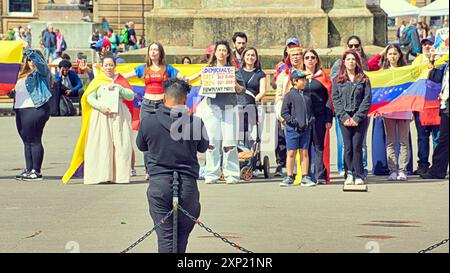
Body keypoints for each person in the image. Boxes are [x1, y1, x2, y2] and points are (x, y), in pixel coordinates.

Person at [136, 78, 208, 253]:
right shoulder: (195, 123)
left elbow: (141, 145)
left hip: (159, 184)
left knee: (165, 236)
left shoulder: (148, 121)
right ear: (185, 100)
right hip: (187, 185)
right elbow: (203, 147)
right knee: (181, 236)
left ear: (163, 97)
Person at [124, 42, 186, 179]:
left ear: (160, 53)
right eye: (151, 50)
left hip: (162, 105)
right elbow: (123, 77)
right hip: (146, 104)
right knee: (147, 136)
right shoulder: (143, 69)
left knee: (165, 136)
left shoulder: (167, 69)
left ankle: (164, 167)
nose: (153, 52)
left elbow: (183, 77)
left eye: (156, 50)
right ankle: (149, 170)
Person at [83, 53, 135, 185]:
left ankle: (120, 176)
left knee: (121, 143)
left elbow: (130, 96)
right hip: (102, 115)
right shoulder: (98, 81)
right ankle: (102, 174)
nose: (108, 68)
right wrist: (101, 107)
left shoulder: (121, 80)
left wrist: (120, 88)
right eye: (106, 65)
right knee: (103, 144)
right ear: (102, 66)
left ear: (115, 66)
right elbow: (90, 98)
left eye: (111, 65)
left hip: (119, 115)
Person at [198, 40, 245, 184]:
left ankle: (231, 173)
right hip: (212, 108)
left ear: (228, 53)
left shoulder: (234, 70)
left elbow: (241, 90)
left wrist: (234, 83)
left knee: (230, 142)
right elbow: (203, 89)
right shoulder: (208, 69)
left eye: (224, 50)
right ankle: (211, 173)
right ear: (215, 53)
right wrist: (204, 79)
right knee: (212, 142)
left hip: (229, 108)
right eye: (219, 50)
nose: (222, 53)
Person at [369, 44, 413, 181]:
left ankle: (402, 170)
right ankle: (393, 170)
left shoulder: (407, 70)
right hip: (388, 111)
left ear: (400, 55)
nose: (392, 56)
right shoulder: (383, 72)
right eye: (390, 54)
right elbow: (370, 64)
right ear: (386, 56)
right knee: (390, 142)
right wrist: (381, 52)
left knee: (404, 142)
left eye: (395, 53)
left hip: (404, 110)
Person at [330, 35, 369, 177]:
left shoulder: (364, 77)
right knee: (346, 146)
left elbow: (367, 98)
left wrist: (358, 117)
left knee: (358, 146)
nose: (351, 61)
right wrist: (344, 116)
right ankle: (347, 172)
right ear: (344, 61)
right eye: (348, 59)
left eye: (354, 59)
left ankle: (359, 173)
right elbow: (336, 98)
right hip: (344, 117)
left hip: (360, 117)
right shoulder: (338, 78)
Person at [12, 49, 52, 181]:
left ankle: (37, 171)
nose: (31, 62)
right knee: (26, 141)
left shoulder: (41, 72)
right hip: (21, 109)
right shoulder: (21, 75)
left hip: (35, 108)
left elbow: (40, 64)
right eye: (29, 60)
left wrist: (29, 51)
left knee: (34, 139)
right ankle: (29, 169)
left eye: (33, 60)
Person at [280, 70, 316, 187]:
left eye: (305, 79)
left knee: (304, 152)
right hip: (293, 130)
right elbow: (284, 113)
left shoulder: (307, 95)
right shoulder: (289, 96)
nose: (305, 81)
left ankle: (305, 176)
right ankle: (289, 176)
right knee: (291, 152)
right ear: (295, 81)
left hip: (306, 129)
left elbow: (310, 111)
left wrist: (311, 120)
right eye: (302, 79)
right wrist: (294, 123)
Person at [303, 49, 333, 184]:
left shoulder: (323, 78)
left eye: (312, 57)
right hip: (303, 118)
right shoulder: (298, 77)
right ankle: (306, 175)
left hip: (319, 116)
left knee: (319, 146)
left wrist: (329, 118)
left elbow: (328, 99)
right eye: (307, 57)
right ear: (303, 60)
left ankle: (320, 175)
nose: (310, 60)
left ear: (316, 60)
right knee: (304, 146)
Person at [411, 37, 440, 176]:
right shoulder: (417, 61)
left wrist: (434, 62)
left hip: (437, 105)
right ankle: (422, 165)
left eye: (430, 44)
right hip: (421, 105)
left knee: (437, 138)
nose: (427, 46)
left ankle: (438, 164)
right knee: (422, 138)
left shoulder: (442, 60)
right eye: (425, 44)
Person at [274, 45, 304, 177]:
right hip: (288, 115)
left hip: (305, 114)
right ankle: (289, 173)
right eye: (293, 55)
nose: (296, 57)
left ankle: (305, 173)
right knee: (289, 145)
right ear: (289, 58)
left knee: (304, 147)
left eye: (298, 54)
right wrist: (281, 116)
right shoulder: (283, 76)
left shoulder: (307, 73)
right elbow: (279, 97)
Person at [421, 60, 449, 179]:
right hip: (445, 106)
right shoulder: (445, 65)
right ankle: (437, 171)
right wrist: (432, 60)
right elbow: (434, 77)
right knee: (443, 140)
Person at [237, 47, 266, 149]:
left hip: (252, 105)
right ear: (243, 57)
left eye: (253, 55)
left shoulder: (260, 74)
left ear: (256, 58)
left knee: (250, 132)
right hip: (238, 105)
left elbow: (262, 91)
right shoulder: (238, 72)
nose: (250, 57)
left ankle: (250, 152)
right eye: (248, 55)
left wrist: (255, 99)